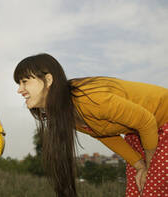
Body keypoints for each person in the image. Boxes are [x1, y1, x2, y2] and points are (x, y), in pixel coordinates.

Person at [13, 53, 168, 197]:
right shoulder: (67, 112)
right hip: (139, 132)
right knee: (137, 189)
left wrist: (149, 165)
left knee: (151, 188)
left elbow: (147, 122)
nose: (20, 89)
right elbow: (105, 135)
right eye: (19, 83)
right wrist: (140, 165)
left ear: (48, 80)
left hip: (162, 121)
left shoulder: (89, 99)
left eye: (25, 81)